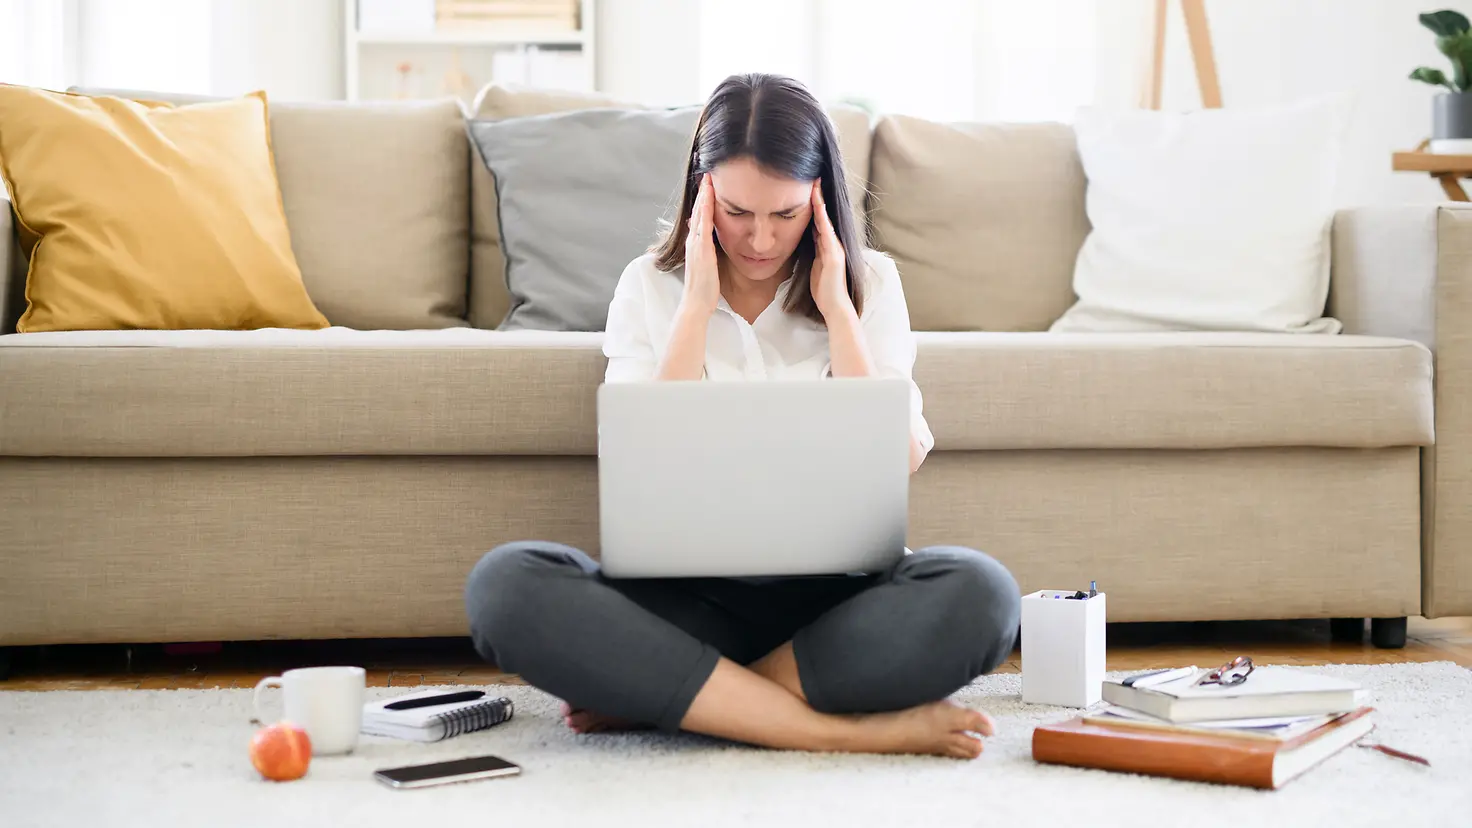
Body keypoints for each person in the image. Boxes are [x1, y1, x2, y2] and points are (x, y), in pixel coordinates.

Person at [464, 73, 1021, 760]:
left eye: (785, 216)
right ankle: (831, 731)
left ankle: (679, 698)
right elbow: (642, 459)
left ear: (820, 201)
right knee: (506, 586)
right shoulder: (649, 287)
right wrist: (695, 307)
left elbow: (900, 452)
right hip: (688, 605)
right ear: (702, 193)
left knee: (985, 595)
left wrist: (840, 313)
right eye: (737, 212)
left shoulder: (870, 285)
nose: (760, 240)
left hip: (835, 606)